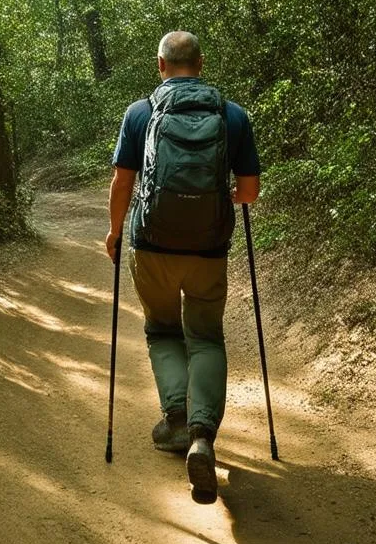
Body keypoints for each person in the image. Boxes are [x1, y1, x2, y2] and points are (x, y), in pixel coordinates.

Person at [105, 31, 261, 501]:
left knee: (162, 331)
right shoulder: (231, 115)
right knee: (206, 337)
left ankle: (175, 419)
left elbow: (122, 183)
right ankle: (202, 437)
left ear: (161, 65)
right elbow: (249, 191)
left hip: (151, 246)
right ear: (201, 62)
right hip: (208, 251)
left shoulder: (140, 113)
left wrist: (114, 233)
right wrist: (219, 200)